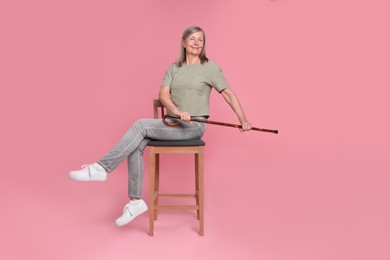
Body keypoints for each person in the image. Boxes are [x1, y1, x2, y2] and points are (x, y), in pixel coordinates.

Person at [69, 26, 252, 227]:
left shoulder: (210, 67)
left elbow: (228, 93)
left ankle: (101, 168)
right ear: (183, 42)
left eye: (200, 39)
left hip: (194, 125)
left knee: (140, 125)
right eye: (192, 39)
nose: (197, 43)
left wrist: (243, 119)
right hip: (174, 121)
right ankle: (135, 201)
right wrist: (177, 109)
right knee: (137, 143)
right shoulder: (174, 67)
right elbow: (164, 96)